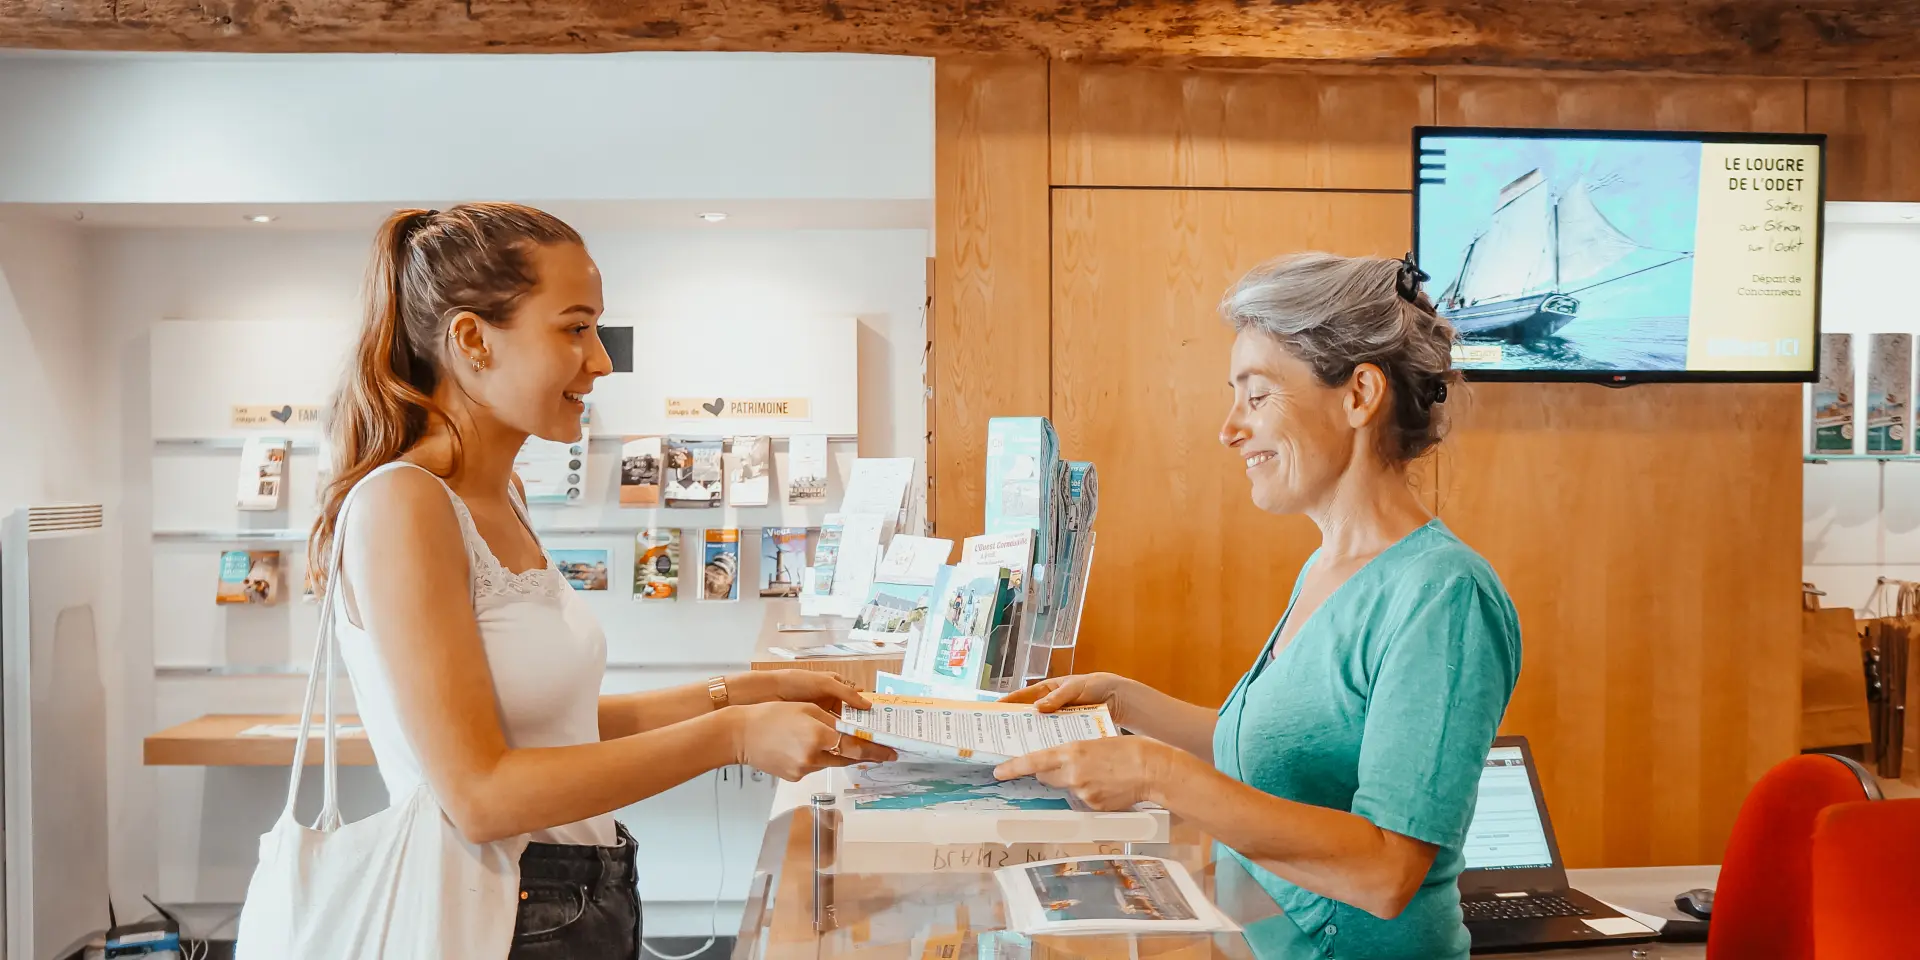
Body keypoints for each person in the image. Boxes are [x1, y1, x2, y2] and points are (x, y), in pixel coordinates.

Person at [307, 203, 893, 958]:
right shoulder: (404, 504)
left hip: (573, 899)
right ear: (471, 339)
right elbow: (480, 796)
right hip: (495, 920)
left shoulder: (500, 498)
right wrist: (733, 735)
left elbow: (556, 724)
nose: (602, 361)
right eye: (575, 328)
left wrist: (740, 692)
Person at [996, 252, 1521, 960]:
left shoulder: (1444, 595)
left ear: (1359, 395)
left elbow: (1388, 869)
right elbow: (1271, 750)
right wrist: (1123, 702)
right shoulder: (1327, 567)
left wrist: (1156, 773)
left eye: (1257, 394)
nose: (1230, 429)